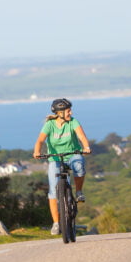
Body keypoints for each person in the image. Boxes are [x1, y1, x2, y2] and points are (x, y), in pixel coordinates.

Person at [33, 98, 91, 235]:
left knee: (79, 165)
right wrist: (37, 151)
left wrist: (86, 147)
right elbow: (40, 140)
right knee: (53, 191)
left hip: (72, 154)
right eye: (68, 110)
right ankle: (56, 223)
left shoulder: (73, 121)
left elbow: (82, 137)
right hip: (55, 158)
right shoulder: (49, 125)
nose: (70, 112)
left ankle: (79, 192)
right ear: (59, 113)